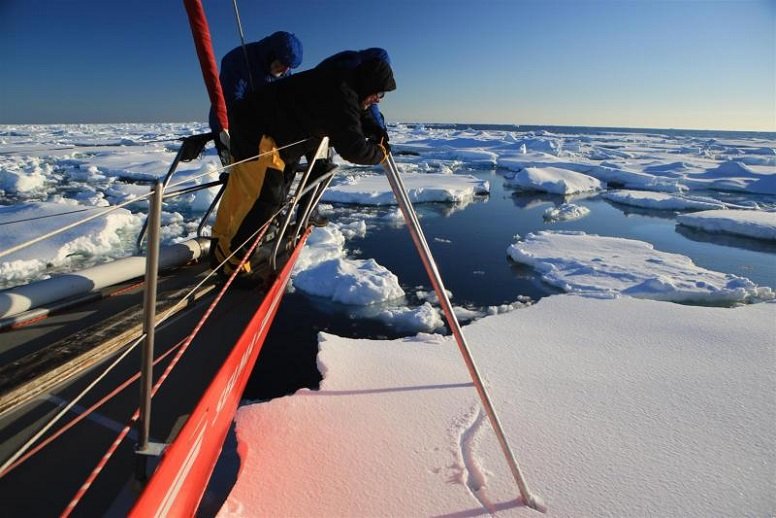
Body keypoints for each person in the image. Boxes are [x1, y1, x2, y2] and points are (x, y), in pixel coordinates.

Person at [211, 58, 397, 284]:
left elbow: (359, 112)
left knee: (241, 192)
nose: (378, 99)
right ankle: (233, 265)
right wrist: (380, 152)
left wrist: (376, 130)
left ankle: (219, 245)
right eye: (378, 93)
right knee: (264, 198)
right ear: (367, 84)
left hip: (251, 126)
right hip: (260, 136)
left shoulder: (344, 85)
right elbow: (354, 149)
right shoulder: (340, 95)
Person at [208, 31, 303, 164]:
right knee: (239, 170)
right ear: (271, 54)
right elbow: (231, 101)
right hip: (229, 126)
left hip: (264, 129)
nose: (283, 70)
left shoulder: (283, 72)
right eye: (281, 64)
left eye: (288, 67)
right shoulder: (239, 60)